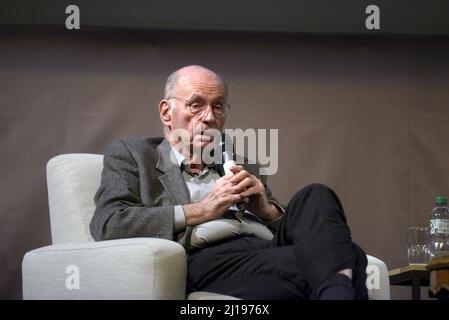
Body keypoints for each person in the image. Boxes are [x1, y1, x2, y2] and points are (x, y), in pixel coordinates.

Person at [90, 65, 368, 300]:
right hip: (208, 259)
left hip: (265, 250)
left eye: (218, 106)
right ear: (166, 112)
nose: (209, 117)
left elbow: (296, 229)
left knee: (315, 195)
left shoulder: (240, 163)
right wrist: (200, 210)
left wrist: (266, 210)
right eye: (196, 104)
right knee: (346, 257)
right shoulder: (133, 154)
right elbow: (108, 222)